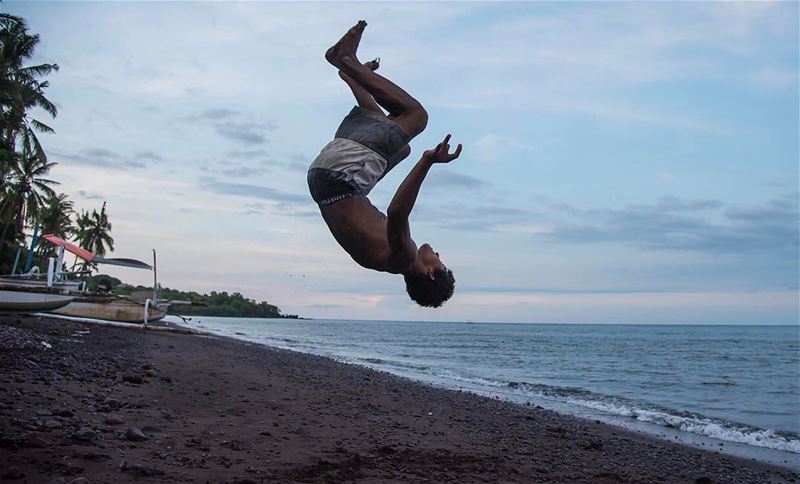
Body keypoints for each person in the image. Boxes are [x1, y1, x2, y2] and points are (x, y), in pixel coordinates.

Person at [307, 20, 461, 308]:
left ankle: (346, 61)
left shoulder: (404, 256)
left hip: (341, 177)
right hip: (328, 181)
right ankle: (352, 76)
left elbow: (398, 211)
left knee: (416, 116)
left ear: (429, 273)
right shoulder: (386, 261)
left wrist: (427, 161)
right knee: (400, 147)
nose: (438, 255)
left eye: (439, 262)